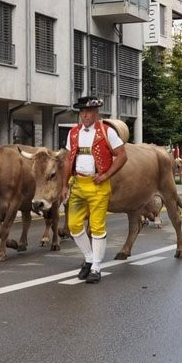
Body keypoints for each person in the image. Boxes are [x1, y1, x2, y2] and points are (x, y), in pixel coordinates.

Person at [58, 96, 127, 283]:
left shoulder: (107, 132)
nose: (84, 115)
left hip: (98, 185)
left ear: (96, 113)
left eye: (88, 112)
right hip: (78, 184)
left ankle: (96, 267)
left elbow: (122, 156)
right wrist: (64, 185)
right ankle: (89, 258)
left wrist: (105, 175)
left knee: (97, 227)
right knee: (74, 225)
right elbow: (67, 160)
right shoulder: (73, 133)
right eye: (82, 112)